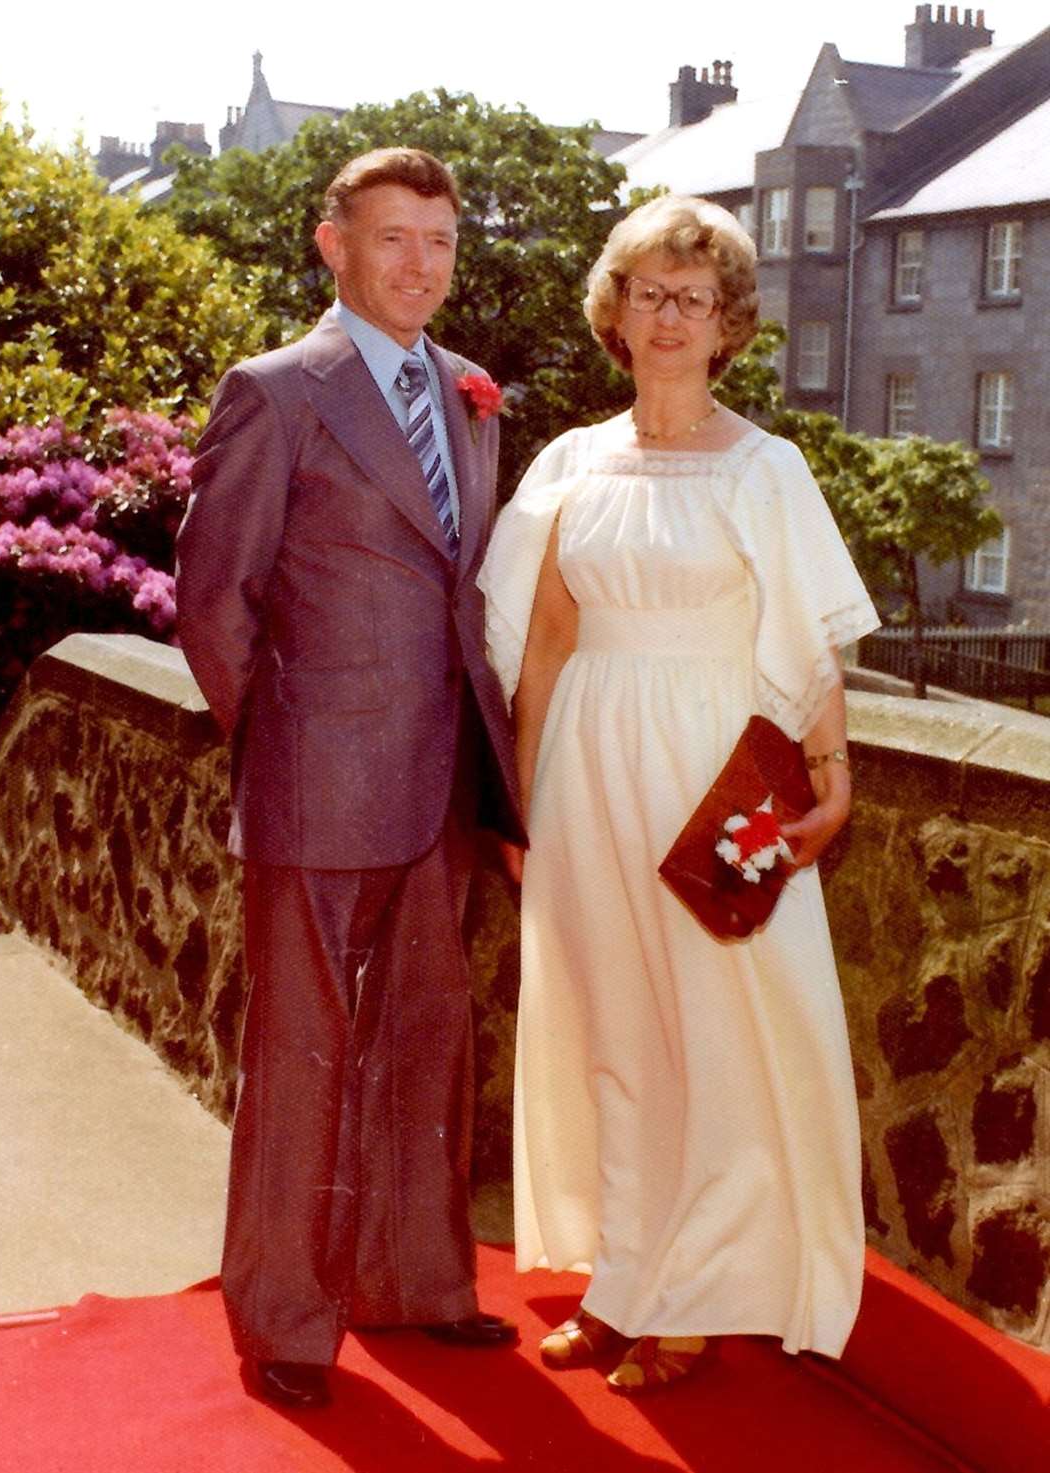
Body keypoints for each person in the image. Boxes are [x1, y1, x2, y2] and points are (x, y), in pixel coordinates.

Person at [478, 194, 880, 1393]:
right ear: (617, 310)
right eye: (648, 292)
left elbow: (807, 645)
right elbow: (544, 645)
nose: (667, 316)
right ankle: (623, 1282)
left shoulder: (768, 468)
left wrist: (832, 782)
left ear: (726, 326)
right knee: (611, 1033)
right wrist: (521, 806)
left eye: (692, 299)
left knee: (718, 1030)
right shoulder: (569, 463)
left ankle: (699, 1291)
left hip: (717, 773)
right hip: (586, 769)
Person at [175, 147, 526, 1410]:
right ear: (334, 245)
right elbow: (214, 602)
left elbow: (460, 584)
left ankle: (420, 1284)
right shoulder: (277, 393)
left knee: (429, 1041)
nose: (420, 264)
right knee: (306, 1053)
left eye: (438, 239)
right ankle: (283, 1317)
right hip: (317, 778)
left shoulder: (471, 394)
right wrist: (281, 747)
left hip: (445, 783)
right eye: (393, 239)